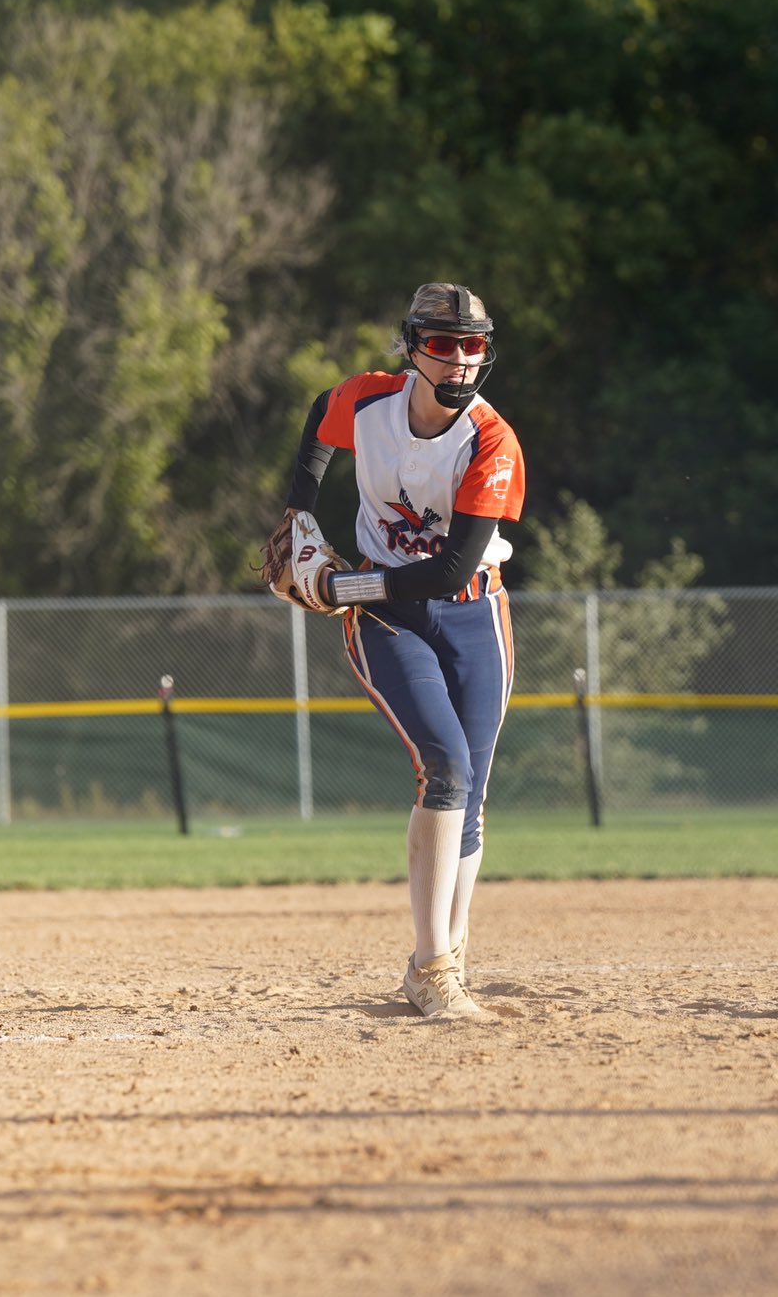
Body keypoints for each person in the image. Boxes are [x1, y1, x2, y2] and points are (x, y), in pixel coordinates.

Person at [265, 283, 524, 1019]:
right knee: (444, 764)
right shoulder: (372, 402)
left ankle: (449, 954)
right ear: (411, 346)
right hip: (389, 617)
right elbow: (321, 413)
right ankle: (431, 968)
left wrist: (340, 585)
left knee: (469, 790)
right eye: (442, 344)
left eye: (472, 345)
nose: (459, 361)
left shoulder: (491, 441)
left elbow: (448, 572)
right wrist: (300, 508)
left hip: (472, 610)